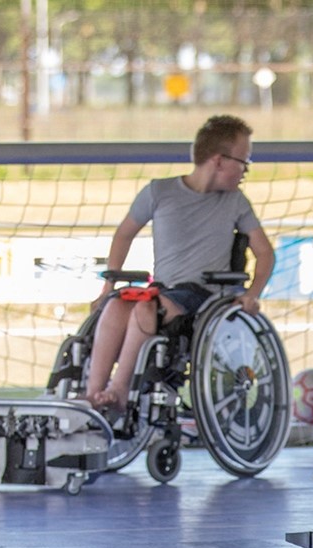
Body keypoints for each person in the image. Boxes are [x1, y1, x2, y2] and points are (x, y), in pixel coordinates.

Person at [85, 114, 275, 411]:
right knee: (117, 303)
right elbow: (124, 234)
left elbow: (265, 253)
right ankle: (93, 393)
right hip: (165, 290)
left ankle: (119, 390)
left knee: (147, 306)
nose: (245, 171)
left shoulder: (235, 202)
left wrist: (252, 294)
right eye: (244, 162)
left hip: (206, 295)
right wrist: (107, 287)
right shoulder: (158, 192)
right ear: (219, 161)